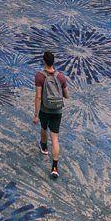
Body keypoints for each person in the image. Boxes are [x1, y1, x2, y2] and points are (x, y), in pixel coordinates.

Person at [33, 51, 69, 179]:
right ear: (53, 62)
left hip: (45, 109)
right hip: (57, 111)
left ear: (44, 61)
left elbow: (38, 97)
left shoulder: (39, 76)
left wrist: (36, 115)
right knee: (55, 139)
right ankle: (54, 167)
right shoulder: (61, 77)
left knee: (44, 128)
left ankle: (44, 147)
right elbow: (67, 95)